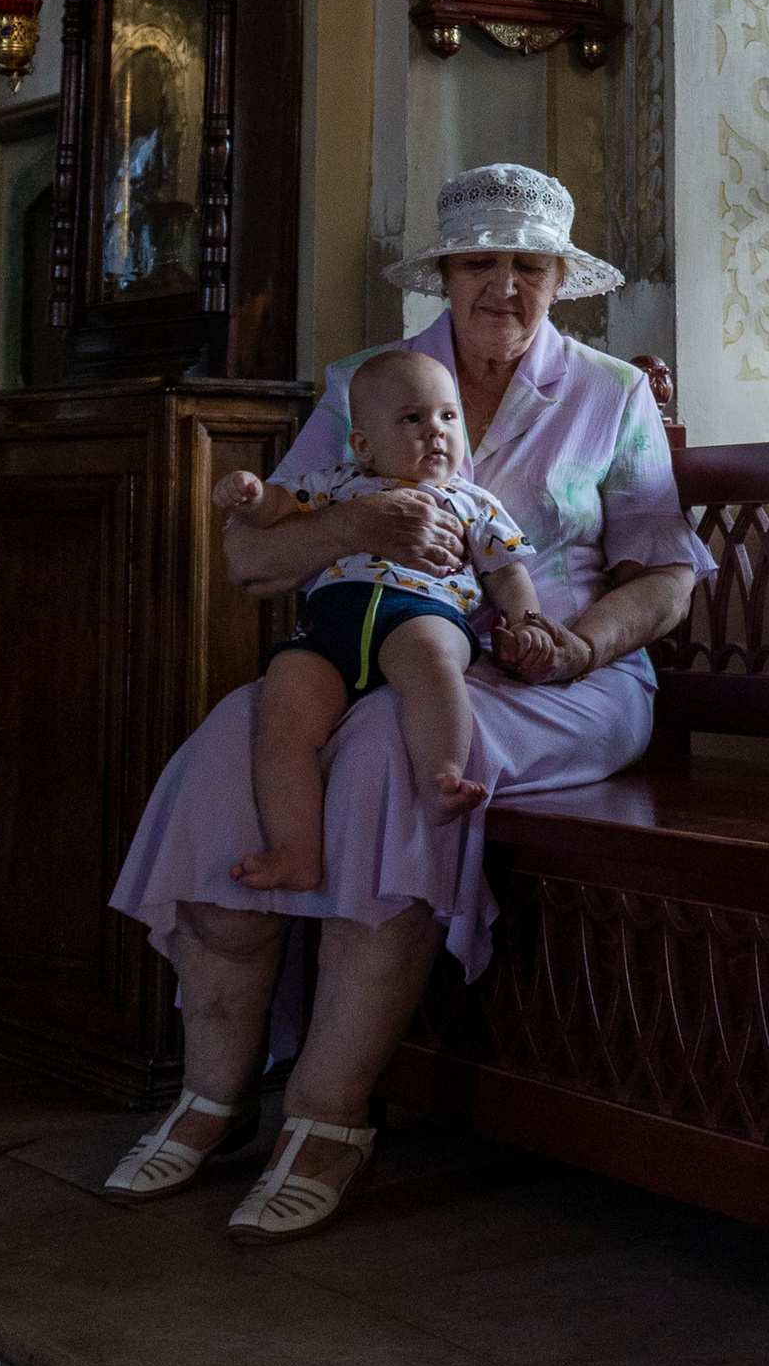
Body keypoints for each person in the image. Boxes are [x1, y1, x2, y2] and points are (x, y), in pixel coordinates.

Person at [105, 164, 713, 1245]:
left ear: (562, 278)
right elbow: (253, 556)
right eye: (480, 261)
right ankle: (209, 1097)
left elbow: (665, 573)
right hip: (366, 652)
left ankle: (327, 1112)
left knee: (389, 753)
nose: (503, 286)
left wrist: (577, 645)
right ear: (441, 272)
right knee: (223, 748)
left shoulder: (612, 394)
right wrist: (358, 530)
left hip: (562, 682)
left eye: (529, 265)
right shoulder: (367, 382)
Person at [212, 348, 540, 876]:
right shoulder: (340, 483)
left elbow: (507, 572)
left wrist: (528, 624)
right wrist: (249, 496)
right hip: (330, 623)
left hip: (424, 612)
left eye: (447, 417)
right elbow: (277, 506)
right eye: (413, 419)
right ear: (363, 445)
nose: (436, 432)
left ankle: (443, 778)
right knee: (282, 717)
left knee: (433, 664)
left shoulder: (473, 502)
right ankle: (296, 851)